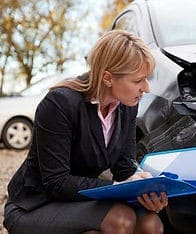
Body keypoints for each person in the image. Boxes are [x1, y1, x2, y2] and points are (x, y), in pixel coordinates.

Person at [3, 29, 168, 234]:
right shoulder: (60, 104)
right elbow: (57, 182)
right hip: (34, 206)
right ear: (108, 77)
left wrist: (145, 190)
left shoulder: (127, 106)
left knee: (150, 223)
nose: (146, 88)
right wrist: (116, 187)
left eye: (147, 79)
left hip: (81, 202)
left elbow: (124, 167)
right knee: (120, 220)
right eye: (137, 81)